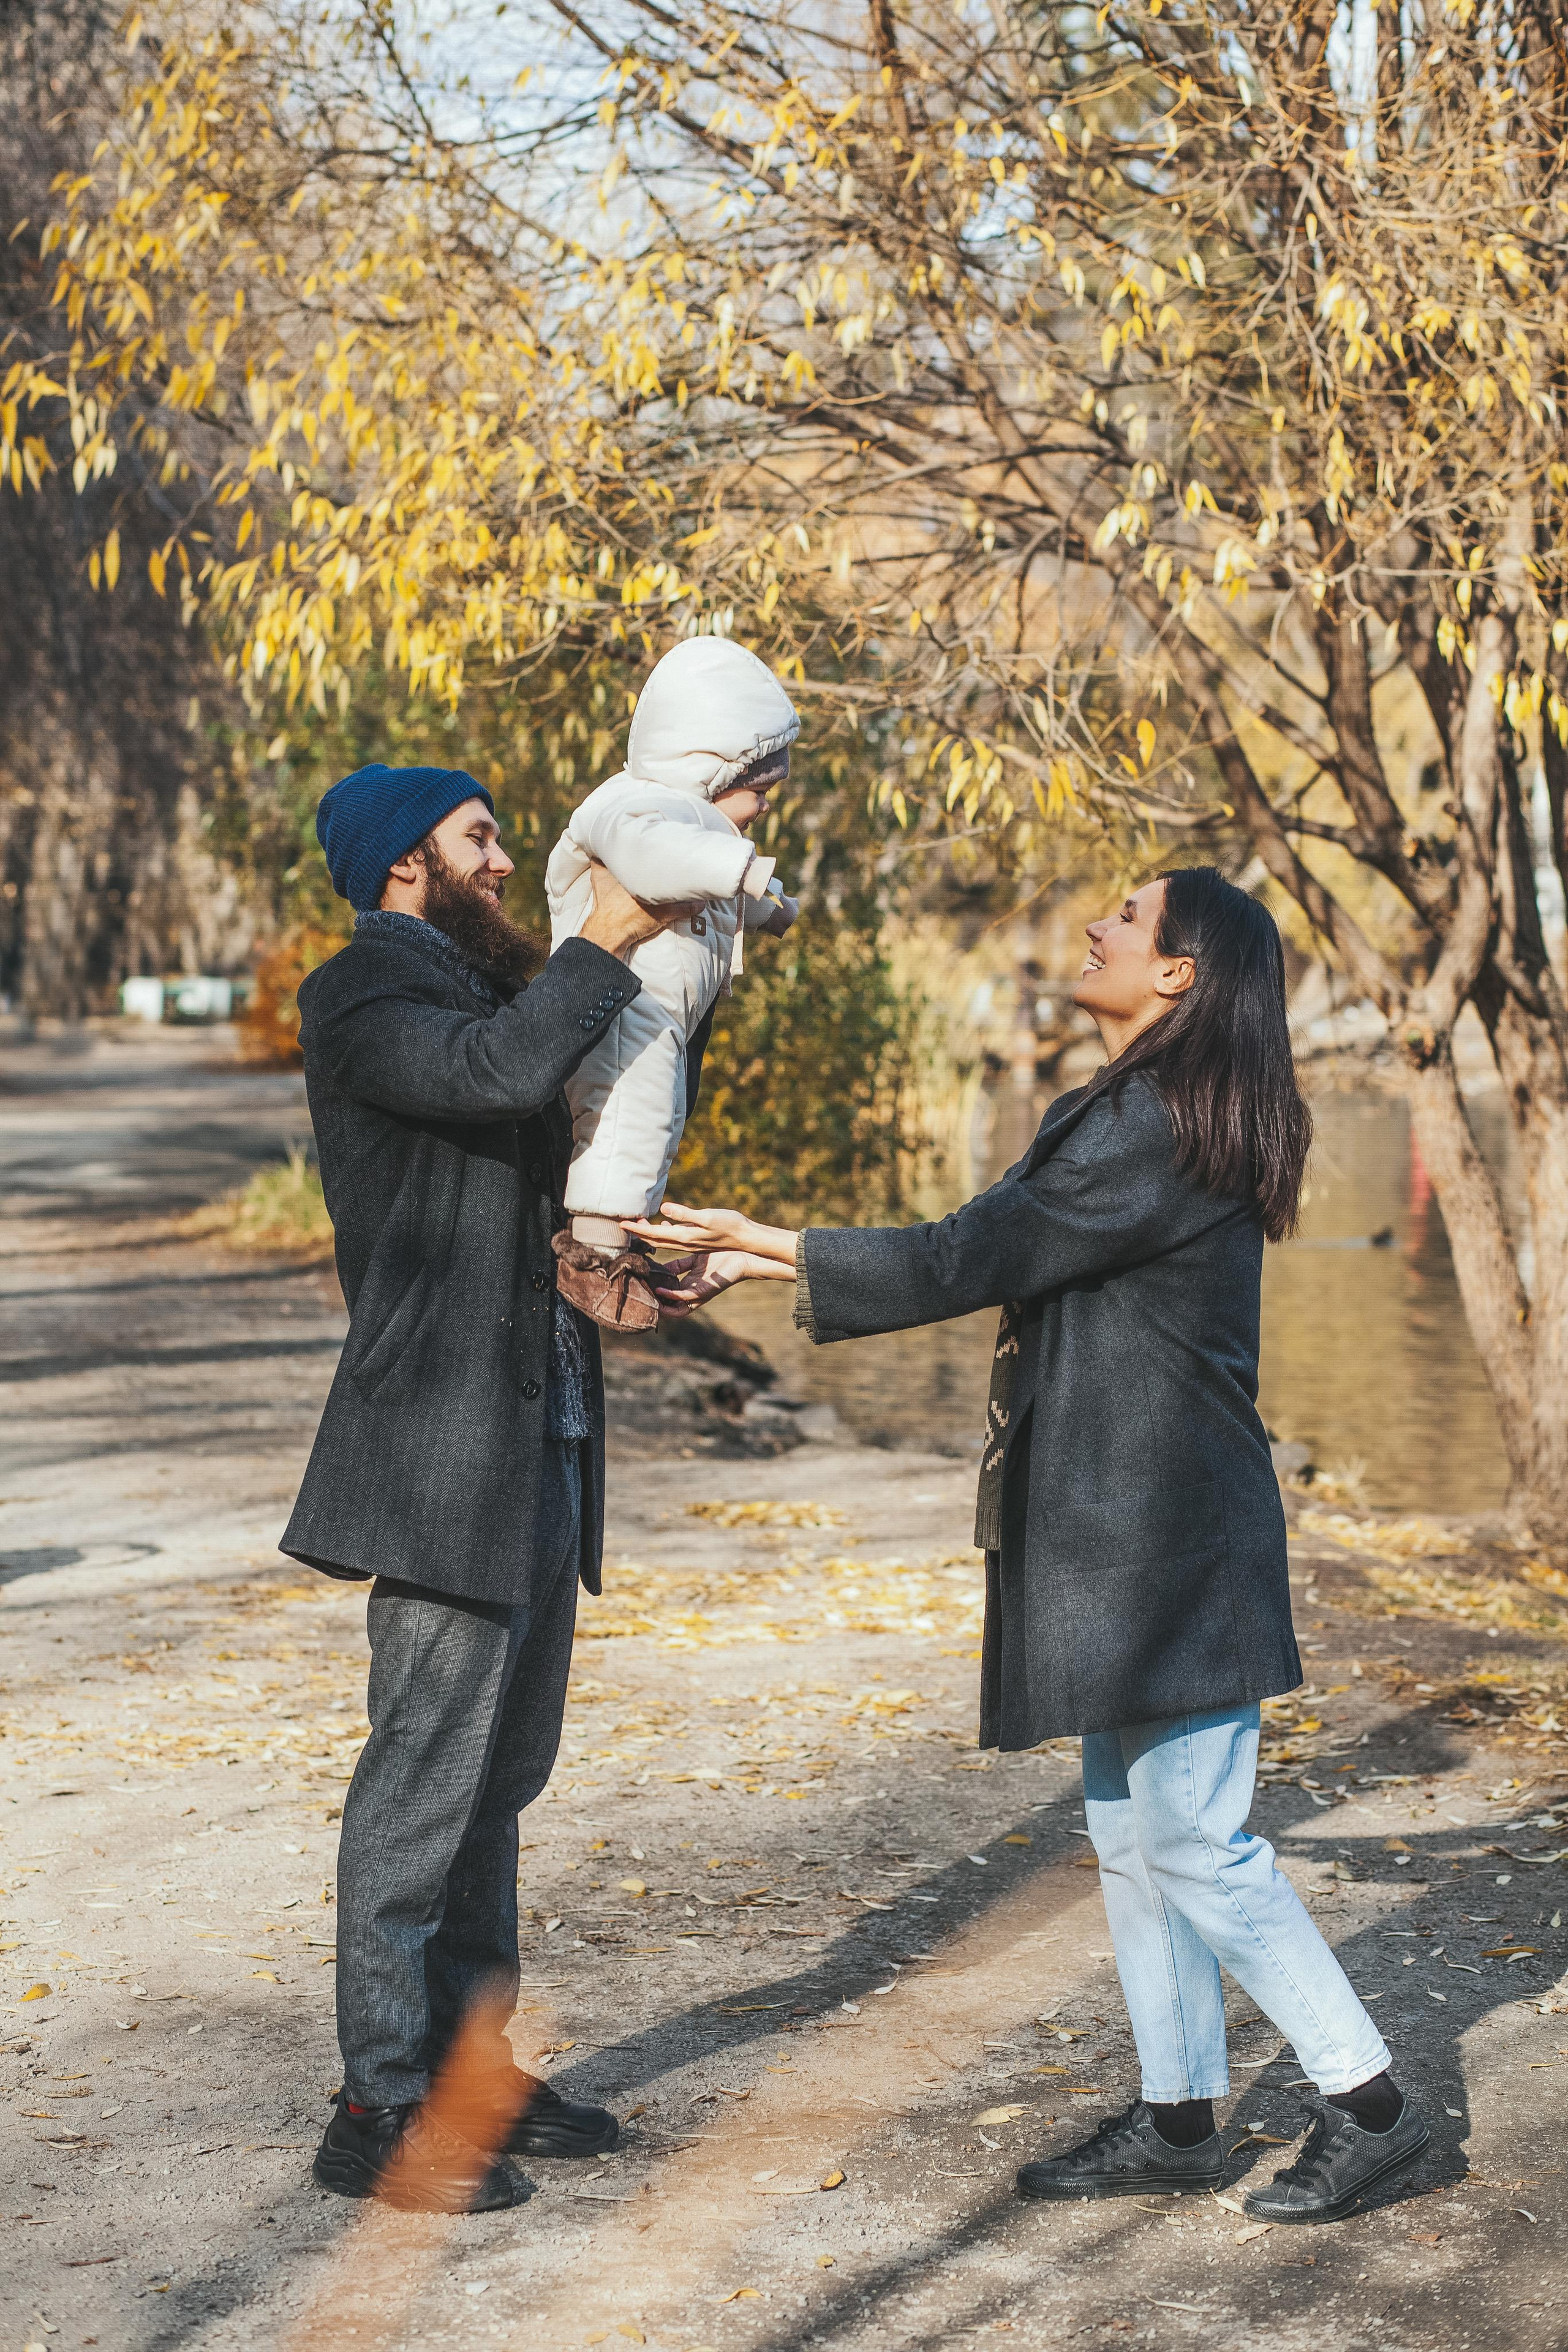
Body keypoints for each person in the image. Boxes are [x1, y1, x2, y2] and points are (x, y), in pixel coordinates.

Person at [631, 867, 1429, 2225]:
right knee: (1130, 1837)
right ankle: (1178, 2118)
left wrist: (762, 1246)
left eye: (1126, 916)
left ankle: (1368, 2106)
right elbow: (991, 1252)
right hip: (1118, 1530)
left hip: (1170, 1533)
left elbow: (971, 1252)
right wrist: (760, 1260)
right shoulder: (1133, 1106)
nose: (1097, 927)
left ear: (1177, 974)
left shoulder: (1162, 1124)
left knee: (1193, 1842)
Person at [279, 760, 699, 2214]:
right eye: (481, 836)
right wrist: (613, 930)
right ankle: (376, 2102)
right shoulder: (363, 992)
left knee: (495, 1783)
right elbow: (497, 1080)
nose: (507, 858)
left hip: (537, 1445)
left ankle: (467, 2068)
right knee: (419, 1786)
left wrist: (632, 1267)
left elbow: (525, 1181)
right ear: (407, 864)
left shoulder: (471, 994)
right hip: (439, 1451)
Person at [545, 636, 800, 1332]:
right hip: (623, 994)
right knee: (625, 1112)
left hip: (667, 1006)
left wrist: (767, 905)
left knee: (659, 1118)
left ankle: (623, 1239)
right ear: (711, 769)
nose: (765, 808)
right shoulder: (632, 808)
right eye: (760, 791)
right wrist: (741, 871)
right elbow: (660, 861)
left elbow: (718, 884)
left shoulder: (702, 826)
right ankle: (592, 1254)